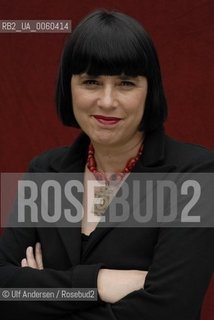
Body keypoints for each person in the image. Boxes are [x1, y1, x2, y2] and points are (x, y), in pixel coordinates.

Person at [0, 9, 214, 320]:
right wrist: (99, 283)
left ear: (149, 90)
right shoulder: (44, 172)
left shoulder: (195, 175)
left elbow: (171, 309)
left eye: (126, 83)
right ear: (68, 86)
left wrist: (41, 295)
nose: (107, 101)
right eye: (91, 81)